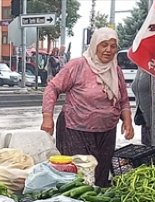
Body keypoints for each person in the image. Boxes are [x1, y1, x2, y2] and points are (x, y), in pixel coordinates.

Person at [41, 27, 133, 187]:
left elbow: (123, 100)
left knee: (100, 176)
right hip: (75, 130)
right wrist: (47, 118)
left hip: (106, 131)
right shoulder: (77, 66)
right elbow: (52, 88)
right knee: (79, 178)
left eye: (113, 46)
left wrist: (128, 121)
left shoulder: (115, 70)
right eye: (104, 45)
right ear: (94, 45)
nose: (108, 50)